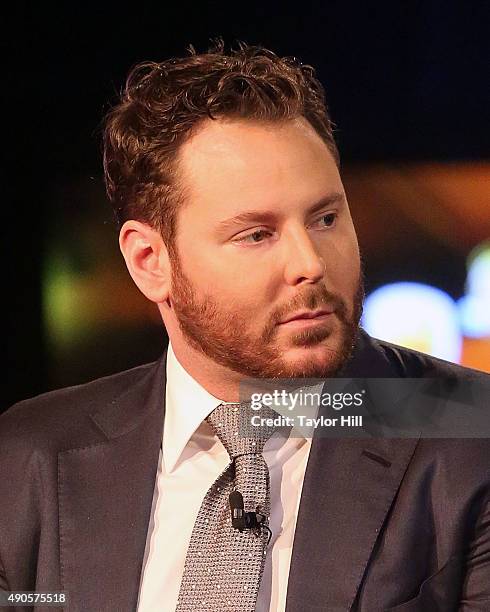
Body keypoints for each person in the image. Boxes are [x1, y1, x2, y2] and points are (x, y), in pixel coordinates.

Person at [0, 41, 488, 612]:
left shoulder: (470, 437)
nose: (310, 263)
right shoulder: (28, 455)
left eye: (326, 218)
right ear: (149, 262)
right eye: (256, 234)